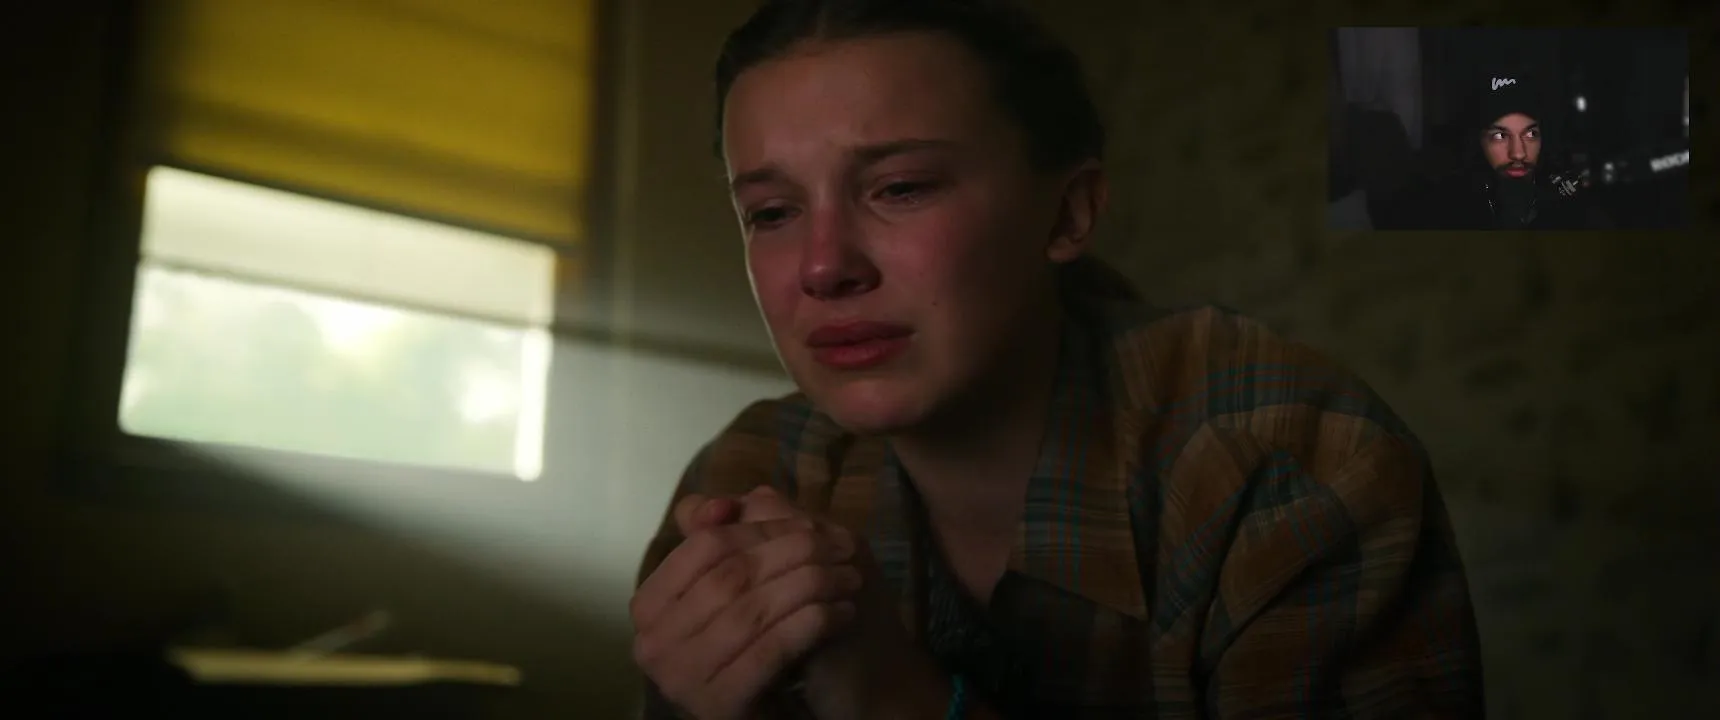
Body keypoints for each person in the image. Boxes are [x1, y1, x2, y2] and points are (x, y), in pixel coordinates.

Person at [629, 1, 1484, 718]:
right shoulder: (751, 481)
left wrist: (897, 701)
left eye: (900, 188)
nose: (823, 267)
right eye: (771, 213)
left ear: (1069, 214)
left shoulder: (1289, 469)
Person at [1411, 65, 1601, 230]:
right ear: (1477, 141)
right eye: (1500, 136)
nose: (1518, 153)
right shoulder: (1444, 211)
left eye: (1530, 134)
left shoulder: (1572, 209)